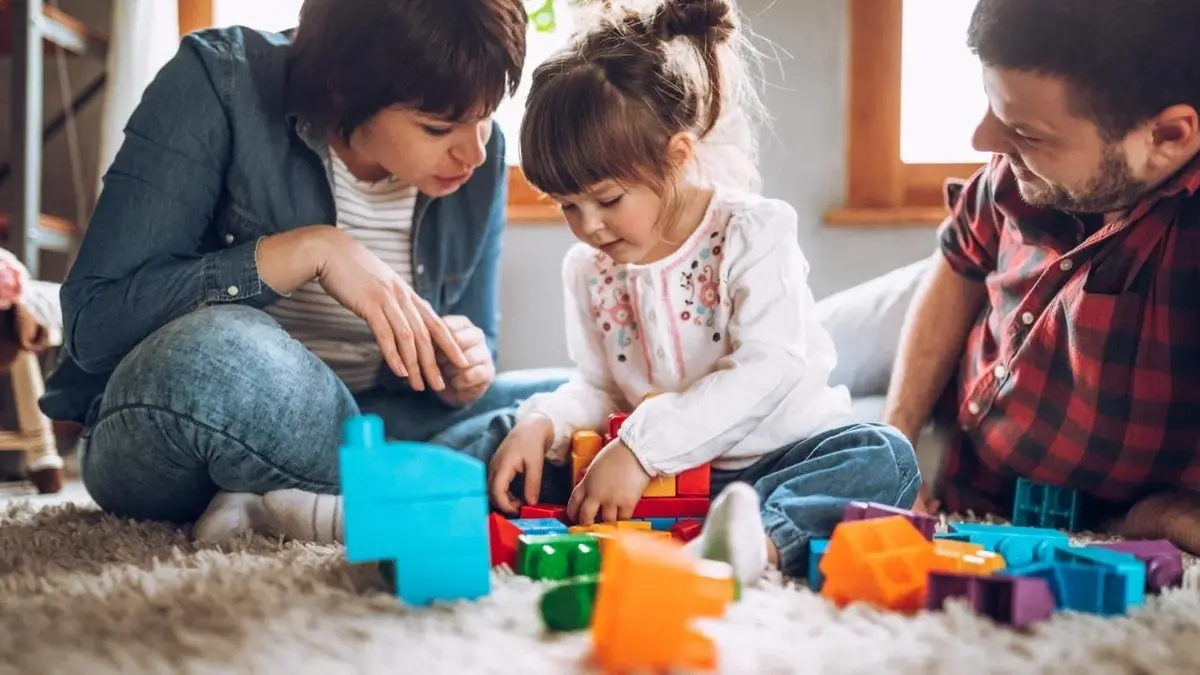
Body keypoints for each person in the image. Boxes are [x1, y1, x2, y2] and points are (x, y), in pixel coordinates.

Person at [40, 0, 569, 542]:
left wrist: (464, 375)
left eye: (486, 117)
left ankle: (293, 504)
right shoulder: (219, 81)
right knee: (215, 353)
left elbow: (475, 357)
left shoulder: (479, 163)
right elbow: (94, 325)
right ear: (343, 88)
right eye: (438, 127)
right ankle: (420, 486)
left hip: (378, 422)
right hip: (198, 417)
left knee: (572, 399)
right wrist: (309, 250)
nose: (475, 153)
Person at [484, 0, 921, 586]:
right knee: (516, 446)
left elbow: (771, 367)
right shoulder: (587, 269)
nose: (588, 226)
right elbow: (598, 385)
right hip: (663, 480)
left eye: (608, 200)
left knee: (884, 456)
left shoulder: (753, 231)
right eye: (568, 205)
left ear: (677, 158)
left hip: (778, 459)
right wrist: (545, 424)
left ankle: (756, 539)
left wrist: (642, 450)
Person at [876, 0, 1200, 550]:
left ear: (1168, 137)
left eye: (1028, 131)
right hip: (953, 372)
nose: (982, 141)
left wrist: (1161, 516)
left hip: (1051, 498)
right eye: (992, 107)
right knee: (798, 373)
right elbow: (958, 266)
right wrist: (895, 445)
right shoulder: (1020, 168)